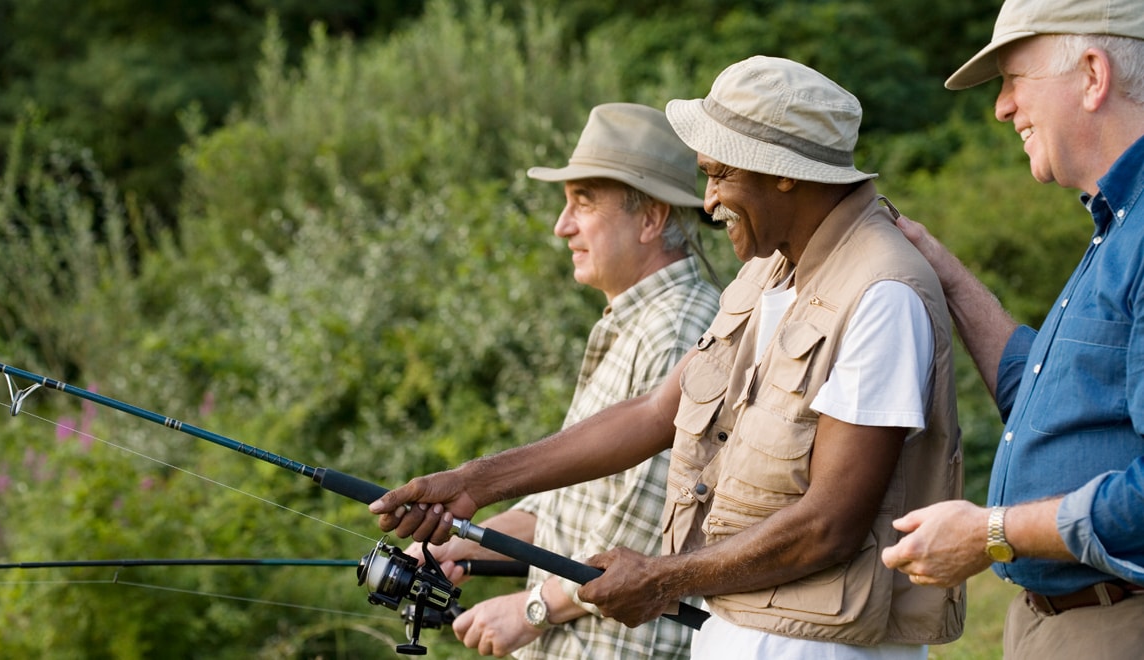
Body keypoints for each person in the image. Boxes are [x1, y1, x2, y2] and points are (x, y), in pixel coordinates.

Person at [374, 56, 964, 659]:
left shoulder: (882, 295)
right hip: (734, 631)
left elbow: (830, 523)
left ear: (783, 173)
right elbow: (656, 412)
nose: (708, 202)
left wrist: (662, 579)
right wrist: (475, 483)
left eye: (719, 174)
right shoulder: (767, 271)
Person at [877, 0, 1144, 657]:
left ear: (1091, 75)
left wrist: (992, 532)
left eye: (1014, 79)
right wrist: (947, 274)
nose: (1002, 107)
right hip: (1059, 623)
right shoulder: (1118, 227)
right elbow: (1048, 397)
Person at [406, 102, 720, 659]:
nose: (562, 226)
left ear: (650, 220)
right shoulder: (636, 325)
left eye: (583, 203)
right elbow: (562, 519)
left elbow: (650, 533)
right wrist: (456, 545)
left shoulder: (677, 331)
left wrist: (532, 610)